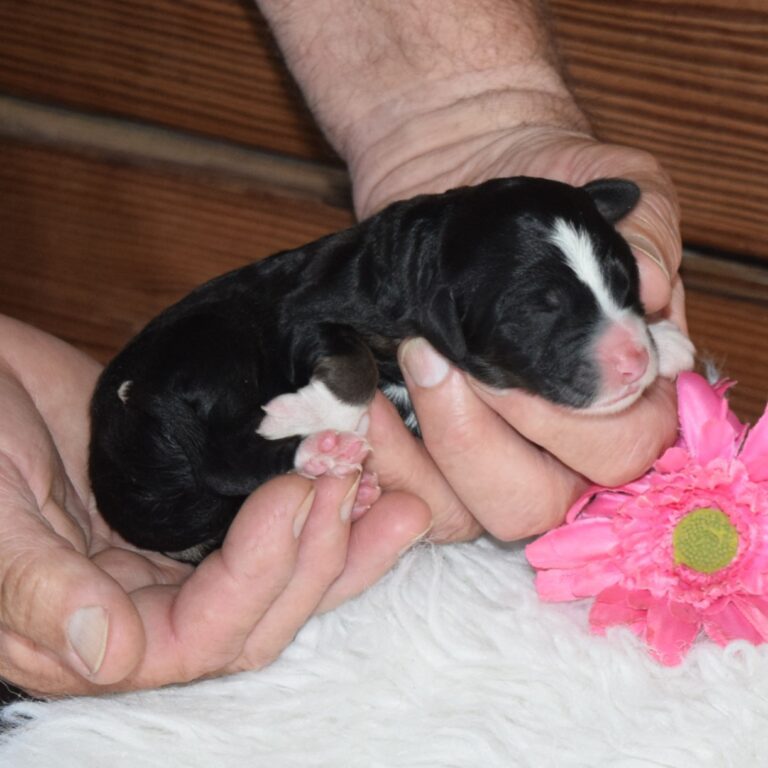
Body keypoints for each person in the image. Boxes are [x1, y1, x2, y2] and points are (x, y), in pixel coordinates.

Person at [0, 0, 687, 697]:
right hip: (164, 452)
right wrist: (339, 397)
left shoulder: (445, 282)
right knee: (236, 380)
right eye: (548, 307)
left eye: (620, 287)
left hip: (209, 507)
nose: (628, 347)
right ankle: (257, 460)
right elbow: (315, 333)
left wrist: (481, 115)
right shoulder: (371, 300)